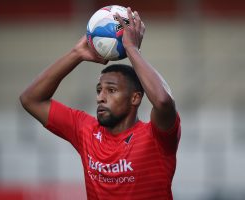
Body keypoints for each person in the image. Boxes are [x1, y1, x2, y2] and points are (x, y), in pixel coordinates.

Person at [20, 7, 181, 200]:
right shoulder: (85, 131)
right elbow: (30, 99)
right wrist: (76, 54)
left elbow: (163, 101)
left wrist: (131, 49)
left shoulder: (156, 138)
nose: (100, 97)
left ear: (135, 98)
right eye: (99, 90)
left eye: (111, 90)